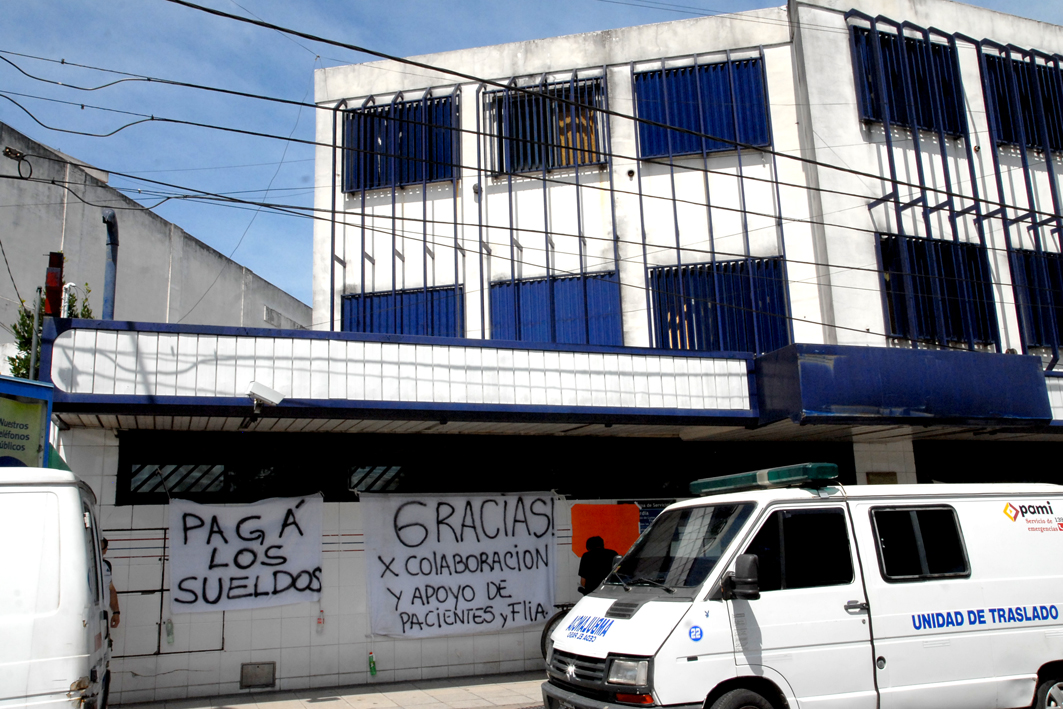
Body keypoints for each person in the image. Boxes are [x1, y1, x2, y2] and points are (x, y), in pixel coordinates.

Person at [102, 538, 120, 628]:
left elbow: (111, 589)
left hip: (102, 615)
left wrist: (116, 612)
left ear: (105, 550)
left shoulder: (106, 565)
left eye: (102, 546)